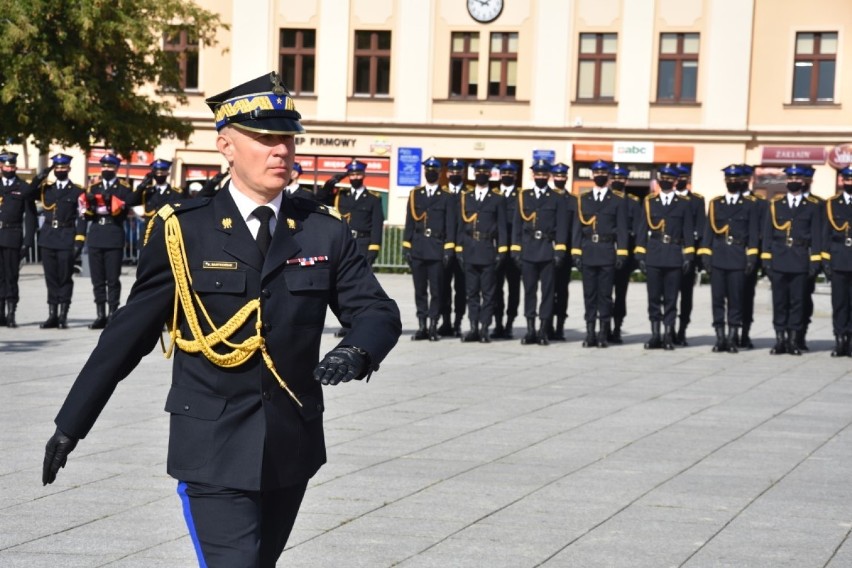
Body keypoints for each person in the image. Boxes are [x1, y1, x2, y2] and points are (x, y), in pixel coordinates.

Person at [42, 71, 402, 568]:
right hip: (210, 446)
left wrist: (356, 350)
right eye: (265, 138)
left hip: (289, 445)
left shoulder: (323, 231)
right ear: (226, 146)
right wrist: (71, 423)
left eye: (288, 139)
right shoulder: (183, 231)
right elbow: (129, 334)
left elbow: (376, 310)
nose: (281, 150)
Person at [697, 165, 761, 353]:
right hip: (718, 256)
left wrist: (751, 258)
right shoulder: (716, 203)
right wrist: (705, 255)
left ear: (742, 181)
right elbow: (708, 231)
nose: (732, 183)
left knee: (736, 299)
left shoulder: (749, 204)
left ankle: (732, 337)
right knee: (717, 299)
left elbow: (752, 233)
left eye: (736, 180)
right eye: (729, 180)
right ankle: (720, 338)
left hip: (738, 257)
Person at [761, 164, 823, 355]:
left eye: (797, 179)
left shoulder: (812, 206)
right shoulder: (775, 205)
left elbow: (816, 236)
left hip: (800, 259)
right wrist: (766, 259)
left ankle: (794, 340)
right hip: (779, 259)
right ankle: (780, 339)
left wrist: (815, 261)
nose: (794, 182)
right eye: (791, 179)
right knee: (779, 302)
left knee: (798, 302)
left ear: (804, 181)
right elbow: (768, 234)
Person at [635, 165, 695, 350]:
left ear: (675, 181)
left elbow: (688, 231)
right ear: (659, 180)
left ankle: (668, 334)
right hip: (654, 254)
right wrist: (640, 254)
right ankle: (655, 335)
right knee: (653, 297)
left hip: (674, 254)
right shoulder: (649, 202)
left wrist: (689, 256)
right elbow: (641, 230)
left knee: (671, 298)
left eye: (670, 178)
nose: (666, 181)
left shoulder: (684, 203)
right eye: (664, 177)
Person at [571, 159, 628, 347]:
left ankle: (603, 333)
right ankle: (590, 333)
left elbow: (621, 229)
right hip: (588, 251)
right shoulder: (584, 199)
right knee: (589, 295)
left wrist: (621, 253)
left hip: (606, 252)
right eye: (597, 173)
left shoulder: (617, 201)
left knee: (605, 295)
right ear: (592, 175)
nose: (600, 176)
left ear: (609, 176)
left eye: (604, 173)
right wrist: (576, 252)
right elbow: (577, 228)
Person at [511, 159, 568, 345]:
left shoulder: (557, 198)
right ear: (533, 175)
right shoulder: (523, 196)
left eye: (544, 174)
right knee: (529, 291)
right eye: (538, 174)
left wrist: (559, 251)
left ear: (549, 176)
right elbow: (517, 226)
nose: (541, 177)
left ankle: (543, 330)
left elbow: (561, 227)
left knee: (548, 292)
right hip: (528, 250)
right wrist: (516, 250)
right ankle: (530, 330)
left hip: (547, 250)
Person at [76, 152, 136, 329]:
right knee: (97, 279)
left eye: (110, 167)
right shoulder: (93, 188)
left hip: (113, 234)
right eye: (104, 167)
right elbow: (85, 215)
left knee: (112, 278)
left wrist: (112, 202)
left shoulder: (123, 188)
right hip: (96, 235)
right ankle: (100, 314)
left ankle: (112, 314)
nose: (106, 170)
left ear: (116, 168)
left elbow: (126, 209)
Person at [402, 156, 457, 341]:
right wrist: (406, 246)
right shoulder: (415, 194)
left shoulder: (447, 197)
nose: (431, 172)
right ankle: (422, 326)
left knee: (436, 290)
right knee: (420, 290)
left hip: (437, 249)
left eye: (434, 169)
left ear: (440, 173)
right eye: (428, 169)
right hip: (418, 248)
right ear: (424, 172)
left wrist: (449, 249)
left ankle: (434, 324)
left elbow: (451, 225)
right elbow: (409, 222)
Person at [456, 159, 507, 342]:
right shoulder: (466, 197)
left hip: (487, 250)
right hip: (469, 250)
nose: (481, 174)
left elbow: (501, 226)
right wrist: (459, 249)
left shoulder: (497, 198)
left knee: (488, 293)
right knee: (471, 293)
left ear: (489, 174)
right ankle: (473, 328)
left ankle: (485, 328)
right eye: (478, 171)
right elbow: (460, 226)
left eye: (485, 171)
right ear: (474, 174)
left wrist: (502, 250)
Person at [0, 151, 48, 327]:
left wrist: (27, 243)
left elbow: (30, 217)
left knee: (11, 276)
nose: (10, 169)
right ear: (1, 167)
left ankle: (11, 313)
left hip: (12, 236)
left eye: (12, 166)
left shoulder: (22, 188)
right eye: (7, 166)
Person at [38, 153, 85, 329]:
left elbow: (82, 216)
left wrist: (79, 240)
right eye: (56, 168)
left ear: (69, 169)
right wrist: (43, 173)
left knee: (64, 278)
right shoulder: (46, 189)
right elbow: (28, 191)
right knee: (51, 278)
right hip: (48, 237)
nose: (59, 171)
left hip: (66, 236)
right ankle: (52, 314)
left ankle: (63, 315)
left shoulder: (77, 191)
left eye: (62, 168)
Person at [672, 164, 705, 346]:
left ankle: (682, 330)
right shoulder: (663, 200)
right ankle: (667, 329)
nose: (680, 180)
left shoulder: (697, 201)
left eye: (683, 176)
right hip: (667, 252)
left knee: (686, 295)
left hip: (686, 253)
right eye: (678, 177)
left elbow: (700, 230)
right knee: (667, 295)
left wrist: (697, 258)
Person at [609, 164, 640, 344]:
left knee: (620, 294)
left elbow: (637, 231)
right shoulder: (603, 200)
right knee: (603, 294)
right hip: (604, 252)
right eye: (614, 177)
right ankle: (603, 327)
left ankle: (617, 327)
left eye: (621, 178)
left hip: (624, 255)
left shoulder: (633, 203)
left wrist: (635, 257)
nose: (617, 181)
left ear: (626, 180)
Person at [823, 166, 852, 357]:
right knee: (839, 302)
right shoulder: (831, 204)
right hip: (839, 258)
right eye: (848, 180)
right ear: (842, 181)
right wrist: (825, 261)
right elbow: (824, 234)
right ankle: (840, 339)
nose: (850, 183)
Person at [438, 158, 468, 337]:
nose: (455, 174)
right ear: (447, 173)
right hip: (444, 248)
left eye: (458, 171)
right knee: (443, 287)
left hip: (464, 249)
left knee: (461, 288)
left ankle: (457, 322)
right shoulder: (441, 194)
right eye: (452, 171)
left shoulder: (468, 194)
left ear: (463, 173)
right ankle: (446, 321)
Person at [492, 160, 521, 339]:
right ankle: (497, 323)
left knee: (514, 289)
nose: (508, 176)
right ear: (500, 175)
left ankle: (510, 322)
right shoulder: (493, 196)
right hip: (496, 250)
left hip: (515, 251)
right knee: (496, 289)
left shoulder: (521, 196)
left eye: (511, 173)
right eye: (505, 173)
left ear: (515, 176)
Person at [737, 163, 765, 349]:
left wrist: (759, 260)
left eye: (744, 178)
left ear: (750, 180)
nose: (740, 181)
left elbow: (763, 233)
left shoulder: (760, 204)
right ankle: (730, 333)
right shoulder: (721, 202)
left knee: (746, 297)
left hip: (749, 257)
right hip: (728, 256)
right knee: (728, 298)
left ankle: (745, 333)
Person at [549, 162, 576, 341]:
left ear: (566, 177)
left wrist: (574, 252)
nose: (560, 179)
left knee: (562, 290)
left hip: (564, 252)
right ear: (553, 177)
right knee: (548, 290)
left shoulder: (573, 200)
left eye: (563, 176)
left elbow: (575, 228)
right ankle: (547, 324)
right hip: (546, 250)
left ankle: (560, 325)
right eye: (557, 176)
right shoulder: (546, 197)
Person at [798, 165, 823, 351]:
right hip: (789, 258)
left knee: (805, 297)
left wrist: (818, 260)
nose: (802, 183)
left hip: (808, 258)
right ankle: (788, 334)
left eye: (805, 180)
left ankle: (801, 333)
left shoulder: (819, 204)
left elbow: (821, 234)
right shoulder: (781, 202)